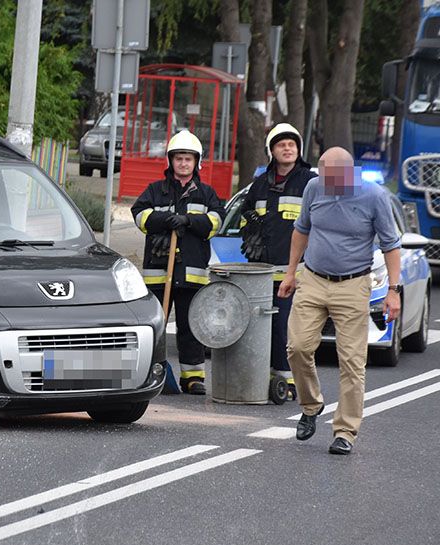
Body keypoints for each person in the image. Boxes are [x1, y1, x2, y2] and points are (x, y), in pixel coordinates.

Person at [278, 147, 402, 455]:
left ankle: (345, 430)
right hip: (313, 279)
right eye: (324, 176)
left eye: (334, 179)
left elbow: (390, 244)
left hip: (352, 284)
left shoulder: (374, 196)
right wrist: (291, 272)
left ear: (350, 173)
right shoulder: (314, 187)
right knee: (298, 347)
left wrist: (393, 290)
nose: (327, 184)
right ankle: (310, 406)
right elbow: (301, 230)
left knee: (351, 361)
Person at [131, 129, 224, 395]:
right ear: (170, 161)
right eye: (179, 158)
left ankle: (192, 377)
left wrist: (189, 221)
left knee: (190, 326)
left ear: (197, 162)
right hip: (158, 275)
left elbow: (217, 220)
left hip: (191, 275)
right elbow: (138, 214)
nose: (183, 163)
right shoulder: (155, 191)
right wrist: (163, 221)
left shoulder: (206, 193)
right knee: (155, 327)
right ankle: (150, 371)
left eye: (188, 159)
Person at [238, 123, 317, 401]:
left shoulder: (310, 180)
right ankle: (268, 379)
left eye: (291, 144)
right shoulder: (259, 183)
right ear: (271, 151)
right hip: (261, 273)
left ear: (298, 150)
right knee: (263, 330)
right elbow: (245, 214)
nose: (287, 148)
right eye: (281, 144)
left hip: (295, 273)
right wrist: (252, 225)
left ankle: (289, 382)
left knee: (287, 329)